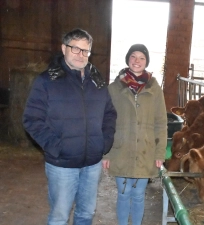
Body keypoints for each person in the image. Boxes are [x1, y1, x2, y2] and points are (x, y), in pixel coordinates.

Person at [23, 28, 117, 225]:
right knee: (60, 216)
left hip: (92, 163)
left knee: (86, 213)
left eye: (86, 51)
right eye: (75, 49)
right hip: (62, 165)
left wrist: (104, 142)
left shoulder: (97, 82)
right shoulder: (47, 81)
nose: (80, 55)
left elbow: (109, 113)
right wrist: (55, 146)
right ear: (64, 48)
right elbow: (32, 119)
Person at [103, 44, 167, 225]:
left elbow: (161, 123)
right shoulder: (114, 88)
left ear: (146, 61)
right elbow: (106, 122)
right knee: (123, 194)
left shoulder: (155, 89)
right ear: (127, 59)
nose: (137, 61)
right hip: (120, 149)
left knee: (138, 195)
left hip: (146, 150)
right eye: (133, 56)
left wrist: (160, 152)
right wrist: (106, 152)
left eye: (141, 58)